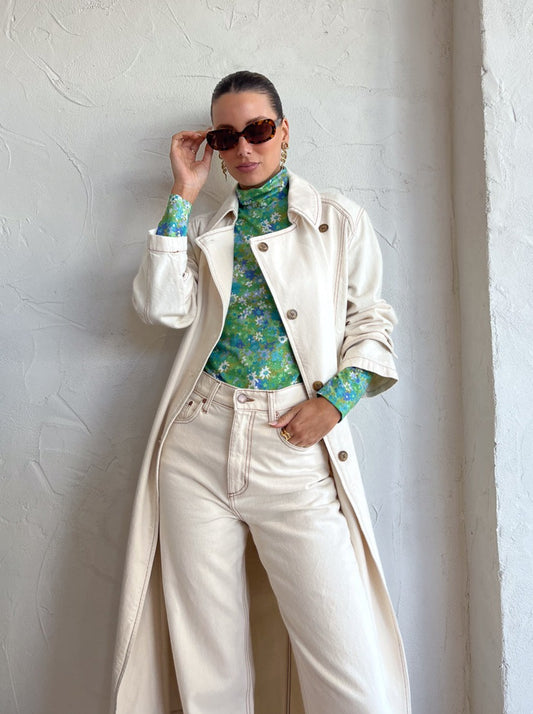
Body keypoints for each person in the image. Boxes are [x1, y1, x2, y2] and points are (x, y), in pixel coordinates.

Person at [111, 71, 411, 714]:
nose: (244, 147)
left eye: (258, 129)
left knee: (349, 669)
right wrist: (181, 195)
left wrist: (335, 402)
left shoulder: (337, 220)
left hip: (292, 447)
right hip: (197, 443)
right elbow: (161, 308)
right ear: (214, 148)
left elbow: (372, 320)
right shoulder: (206, 227)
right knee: (209, 669)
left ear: (284, 132)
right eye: (226, 137)